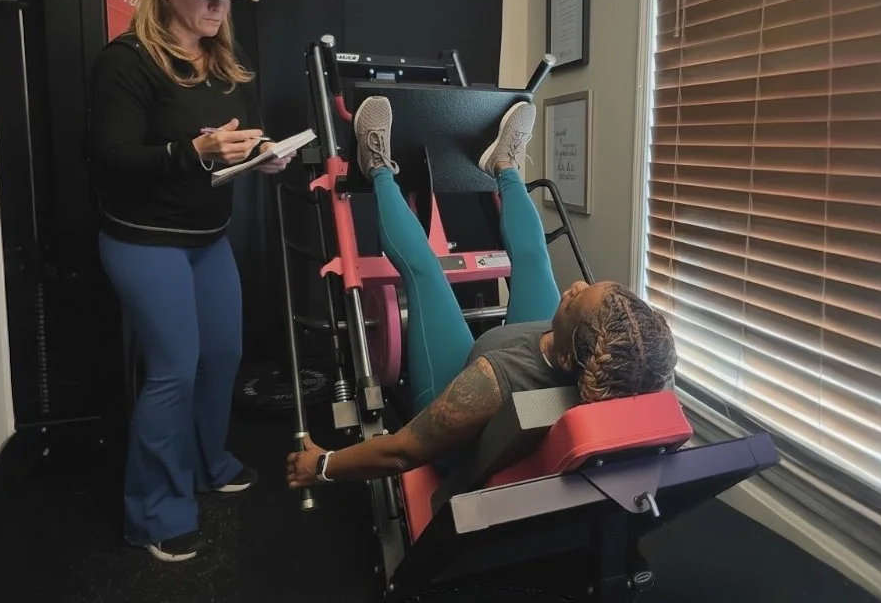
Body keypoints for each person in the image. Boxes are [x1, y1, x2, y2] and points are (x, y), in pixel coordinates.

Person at [286, 96, 676, 488]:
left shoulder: (488, 383)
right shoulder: (618, 366)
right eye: (588, 287)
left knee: (425, 271)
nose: (574, 287)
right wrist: (574, 314)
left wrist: (322, 466)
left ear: (566, 352)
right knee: (535, 258)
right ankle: (503, 164)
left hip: (458, 415)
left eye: (574, 301)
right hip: (532, 365)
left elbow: (401, 451)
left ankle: (377, 168)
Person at [89, 0, 296, 562]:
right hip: (144, 241)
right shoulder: (126, 62)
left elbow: (238, 136)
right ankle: (155, 511)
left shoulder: (222, 61)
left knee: (224, 355)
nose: (218, 4)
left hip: (207, 239)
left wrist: (263, 153)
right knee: (174, 370)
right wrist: (195, 151)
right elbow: (111, 159)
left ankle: (208, 463)